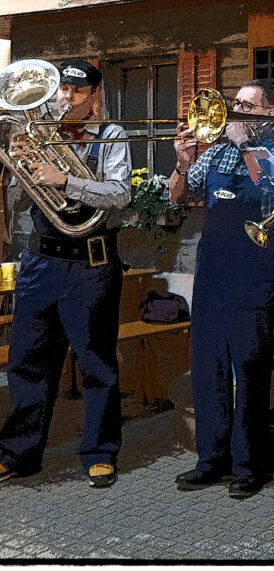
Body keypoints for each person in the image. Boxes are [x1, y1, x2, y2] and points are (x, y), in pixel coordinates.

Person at [169, 79, 274, 499]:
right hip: (213, 271)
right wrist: (182, 163)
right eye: (236, 104)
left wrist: (246, 145)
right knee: (208, 366)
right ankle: (211, 460)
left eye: (247, 106)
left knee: (250, 368)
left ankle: (249, 466)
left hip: (256, 270)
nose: (235, 111)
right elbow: (178, 197)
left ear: (268, 113)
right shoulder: (214, 152)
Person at [0, 59, 131, 488]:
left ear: (93, 97)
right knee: (28, 361)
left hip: (91, 264)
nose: (64, 98)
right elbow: (19, 206)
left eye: (76, 91)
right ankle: (18, 453)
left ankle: (99, 453)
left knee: (95, 363)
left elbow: (120, 194)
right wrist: (19, 167)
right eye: (61, 90)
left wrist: (64, 181)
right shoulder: (38, 134)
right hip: (41, 264)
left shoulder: (111, 135)